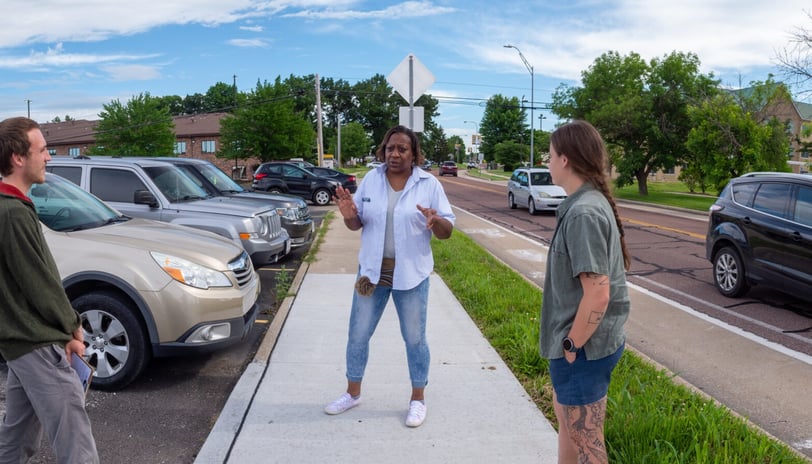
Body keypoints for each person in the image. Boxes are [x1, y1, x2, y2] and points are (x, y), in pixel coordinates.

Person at [325, 125, 455, 428]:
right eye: (390, 148)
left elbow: (447, 231)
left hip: (411, 274)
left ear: (414, 154)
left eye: (402, 149)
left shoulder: (428, 185)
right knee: (358, 333)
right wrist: (348, 214)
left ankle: (417, 399)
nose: (394, 154)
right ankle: (352, 393)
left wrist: (435, 221)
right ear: (383, 150)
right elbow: (357, 224)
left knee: (414, 338)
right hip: (372, 272)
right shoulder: (372, 180)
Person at [0, 117, 100, 463]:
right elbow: (39, 282)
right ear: (18, 157)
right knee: (76, 442)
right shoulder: (12, 213)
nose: (49, 158)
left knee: (16, 438)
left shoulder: (10, 207)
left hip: (21, 344)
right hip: (39, 345)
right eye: (42, 150)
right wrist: (72, 327)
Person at [540, 120, 631, 463]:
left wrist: (570, 345)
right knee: (569, 423)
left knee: (588, 444)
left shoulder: (583, 213)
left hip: (582, 349)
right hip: (584, 348)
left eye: (550, 155)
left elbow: (598, 294)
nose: (547, 162)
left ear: (565, 160)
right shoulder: (588, 202)